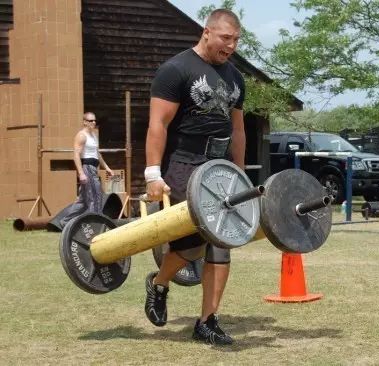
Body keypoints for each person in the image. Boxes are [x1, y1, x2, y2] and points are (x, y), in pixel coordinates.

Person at [143, 9, 245, 345]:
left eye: (236, 40)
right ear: (207, 32)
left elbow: (237, 128)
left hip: (221, 165)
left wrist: (240, 171)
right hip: (185, 162)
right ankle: (159, 283)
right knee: (190, 246)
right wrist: (153, 174)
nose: (231, 46)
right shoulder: (176, 70)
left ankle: (207, 322)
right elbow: (158, 124)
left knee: (222, 240)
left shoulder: (235, 77)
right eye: (225, 39)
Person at [59, 112, 113, 227]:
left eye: (94, 121)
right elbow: (76, 155)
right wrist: (81, 173)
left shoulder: (93, 135)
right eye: (90, 120)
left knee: (82, 202)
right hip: (87, 168)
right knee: (96, 197)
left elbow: (97, 154)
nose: (93, 122)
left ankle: (64, 222)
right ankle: (95, 225)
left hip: (94, 167)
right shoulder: (81, 135)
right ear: (84, 122)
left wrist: (107, 168)